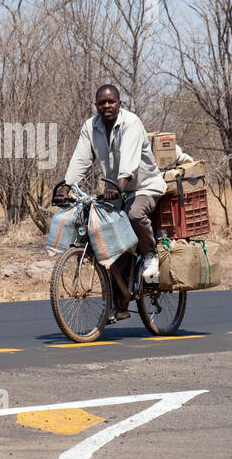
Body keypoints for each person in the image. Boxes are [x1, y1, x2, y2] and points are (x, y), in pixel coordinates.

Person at [59, 84, 166, 321]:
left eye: (111, 102)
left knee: (133, 215)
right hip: (116, 191)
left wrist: (118, 185)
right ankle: (120, 303)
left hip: (143, 187)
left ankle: (150, 254)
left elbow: (128, 160)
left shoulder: (131, 123)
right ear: (96, 105)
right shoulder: (91, 126)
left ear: (119, 103)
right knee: (106, 237)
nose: (106, 106)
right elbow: (80, 158)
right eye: (101, 103)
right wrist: (66, 186)